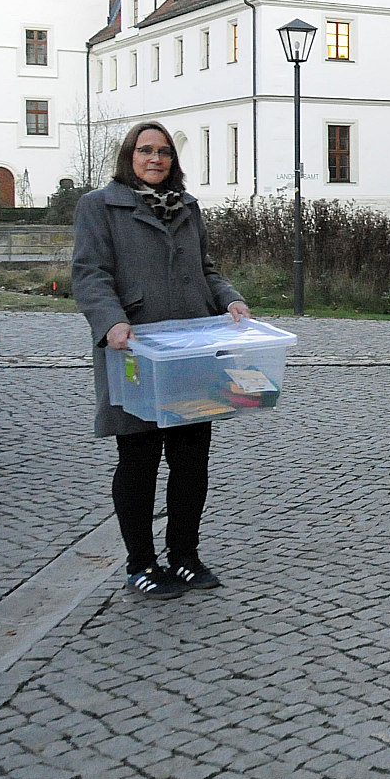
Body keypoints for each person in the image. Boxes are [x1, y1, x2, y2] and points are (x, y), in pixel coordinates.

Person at [72, 122, 250, 599]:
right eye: (146, 150)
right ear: (129, 155)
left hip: (191, 351)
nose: (156, 159)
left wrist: (229, 299)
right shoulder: (99, 206)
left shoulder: (187, 207)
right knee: (139, 459)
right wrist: (110, 321)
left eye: (165, 152)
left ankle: (185, 556)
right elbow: (90, 274)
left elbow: (206, 269)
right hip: (133, 350)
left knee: (192, 459)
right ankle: (141, 563)